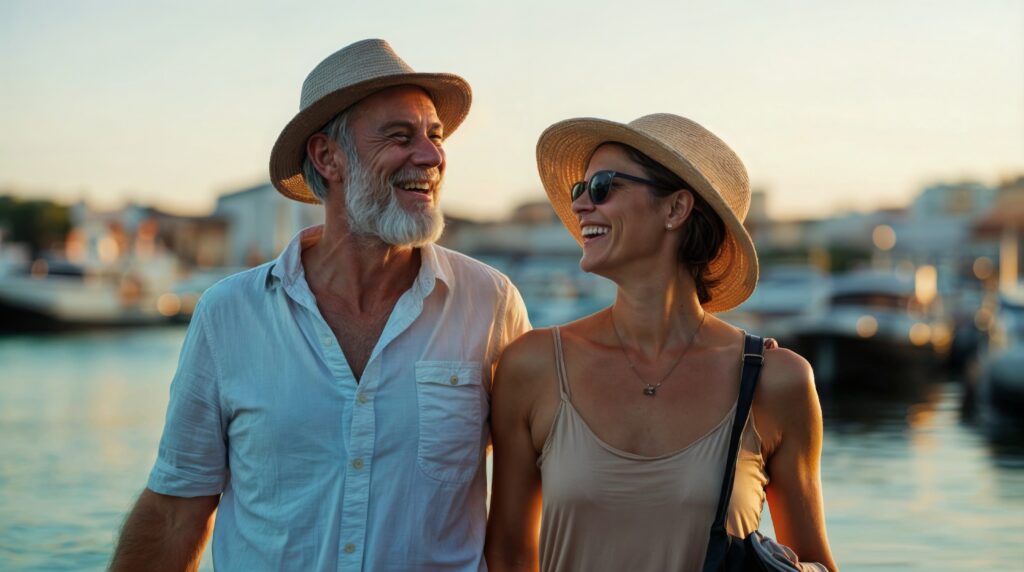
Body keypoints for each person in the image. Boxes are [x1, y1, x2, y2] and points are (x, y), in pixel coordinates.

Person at [111, 39, 530, 571]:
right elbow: (176, 512)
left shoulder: (490, 304)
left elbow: (522, 512)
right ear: (327, 157)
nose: (430, 156)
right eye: (400, 137)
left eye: (434, 136)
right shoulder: (228, 314)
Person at [485, 114, 837, 571]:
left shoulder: (777, 381)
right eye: (579, 190)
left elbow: (814, 561)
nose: (580, 207)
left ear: (675, 209)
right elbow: (509, 554)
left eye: (603, 187)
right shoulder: (532, 367)